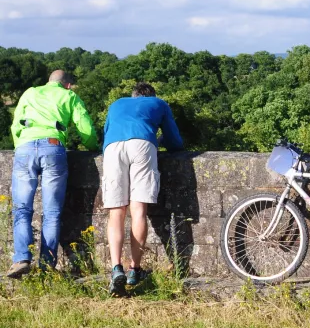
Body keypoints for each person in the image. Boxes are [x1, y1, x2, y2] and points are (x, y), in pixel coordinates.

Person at [7, 70, 100, 278]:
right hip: (53, 147)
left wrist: (20, 145)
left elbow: (15, 124)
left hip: (25, 149)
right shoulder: (69, 96)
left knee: (22, 209)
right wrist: (93, 146)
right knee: (52, 212)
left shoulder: (30, 93)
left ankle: (21, 258)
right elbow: (84, 126)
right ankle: (47, 263)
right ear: (67, 85)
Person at [102, 81, 183, 295]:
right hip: (143, 145)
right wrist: (160, 139)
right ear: (151, 95)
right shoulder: (159, 103)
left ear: (133, 95)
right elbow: (175, 142)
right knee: (138, 211)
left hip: (112, 148)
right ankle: (134, 269)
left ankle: (116, 267)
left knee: (116, 212)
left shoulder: (117, 103)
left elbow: (107, 132)